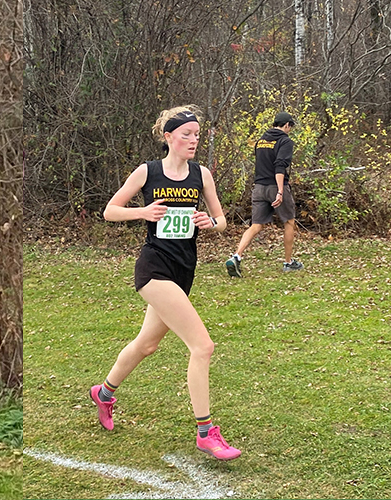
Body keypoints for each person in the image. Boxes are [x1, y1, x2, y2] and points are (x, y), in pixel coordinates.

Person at [90, 105, 241, 461]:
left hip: (184, 269)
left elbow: (221, 221)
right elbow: (110, 211)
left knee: (146, 345)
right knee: (202, 346)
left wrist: (209, 222)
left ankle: (104, 393)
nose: (193, 140)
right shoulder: (148, 172)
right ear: (168, 136)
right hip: (154, 268)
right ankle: (206, 432)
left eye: (197, 134)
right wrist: (142, 212)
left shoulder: (201, 175)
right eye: (186, 134)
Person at [226, 111, 303, 277]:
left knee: (256, 225)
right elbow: (280, 166)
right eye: (291, 127)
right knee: (289, 222)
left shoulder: (261, 141)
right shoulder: (285, 141)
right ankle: (288, 263)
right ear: (287, 125)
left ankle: (236, 256)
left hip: (259, 187)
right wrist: (280, 191)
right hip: (275, 186)